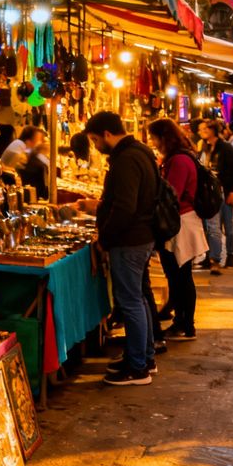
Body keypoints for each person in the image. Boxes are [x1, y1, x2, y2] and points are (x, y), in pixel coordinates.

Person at [77, 112, 159, 385]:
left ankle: (138, 369)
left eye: (94, 139)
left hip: (129, 239)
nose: (96, 146)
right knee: (139, 298)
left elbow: (125, 207)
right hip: (141, 236)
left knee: (130, 301)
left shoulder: (126, 160)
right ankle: (144, 357)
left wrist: (105, 239)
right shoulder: (141, 152)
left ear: (107, 134)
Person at [146, 118, 208, 342]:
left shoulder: (179, 161)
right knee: (177, 276)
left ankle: (185, 324)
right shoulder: (180, 157)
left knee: (180, 276)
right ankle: (181, 321)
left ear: (164, 137)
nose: (153, 142)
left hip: (180, 223)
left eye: (154, 137)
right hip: (181, 221)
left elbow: (173, 193)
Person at [200, 120, 233, 269]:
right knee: (211, 227)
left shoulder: (226, 148)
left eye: (205, 128)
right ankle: (212, 257)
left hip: (224, 191)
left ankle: (230, 255)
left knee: (228, 227)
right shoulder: (204, 147)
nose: (202, 131)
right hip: (210, 193)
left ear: (213, 130)